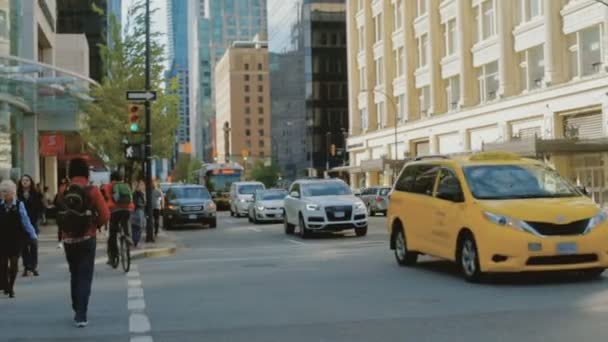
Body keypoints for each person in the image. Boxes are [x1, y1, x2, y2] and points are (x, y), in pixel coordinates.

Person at [56, 158, 109, 327]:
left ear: (70, 173)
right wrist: (96, 225)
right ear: (86, 173)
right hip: (87, 237)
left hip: (68, 239)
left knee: (74, 273)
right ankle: (81, 314)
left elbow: (58, 212)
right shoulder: (92, 190)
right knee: (85, 275)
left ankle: (75, 305)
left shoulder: (63, 190)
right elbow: (105, 214)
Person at [0, 180, 38, 298]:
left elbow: (25, 221)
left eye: (8, 192)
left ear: (13, 192)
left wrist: (33, 235)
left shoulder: (19, 204)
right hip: (2, 237)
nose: (6, 195)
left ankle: (11, 287)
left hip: (16, 238)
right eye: (3, 192)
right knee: (2, 264)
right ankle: (5, 285)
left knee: (14, 263)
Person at [102, 171, 133, 265]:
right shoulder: (126, 185)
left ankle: (113, 256)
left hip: (114, 211)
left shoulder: (107, 186)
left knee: (113, 234)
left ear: (112, 178)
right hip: (127, 209)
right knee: (125, 223)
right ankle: (127, 236)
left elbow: (104, 200)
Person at [17, 174, 43, 277]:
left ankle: (33, 266)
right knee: (23, 246)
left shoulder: (36, 194)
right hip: (21, 224)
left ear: (30, 182)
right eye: (23, 180)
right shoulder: (18, 194)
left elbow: (41, 207)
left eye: (27, 180)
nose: (25, 182)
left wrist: (38, 218)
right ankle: (27, 266)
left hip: (33, 222)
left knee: (33, 244)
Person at [131, 180, 146, 248]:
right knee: (139, 227)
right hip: (139, 211)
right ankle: (135, 242)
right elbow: (140, 203)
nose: (143, 186)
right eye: (142, 185)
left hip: (134, 211)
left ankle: (134, 242)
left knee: (134, 227)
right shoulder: (139, 193)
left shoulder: (133, 193)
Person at [55, 178, 69, 249]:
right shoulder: (68, 189)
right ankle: (63, 241)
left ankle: (60, 242)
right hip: (66, 211)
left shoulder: (60, 189)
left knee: (61, 228)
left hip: (61, 211)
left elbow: (56, 201)